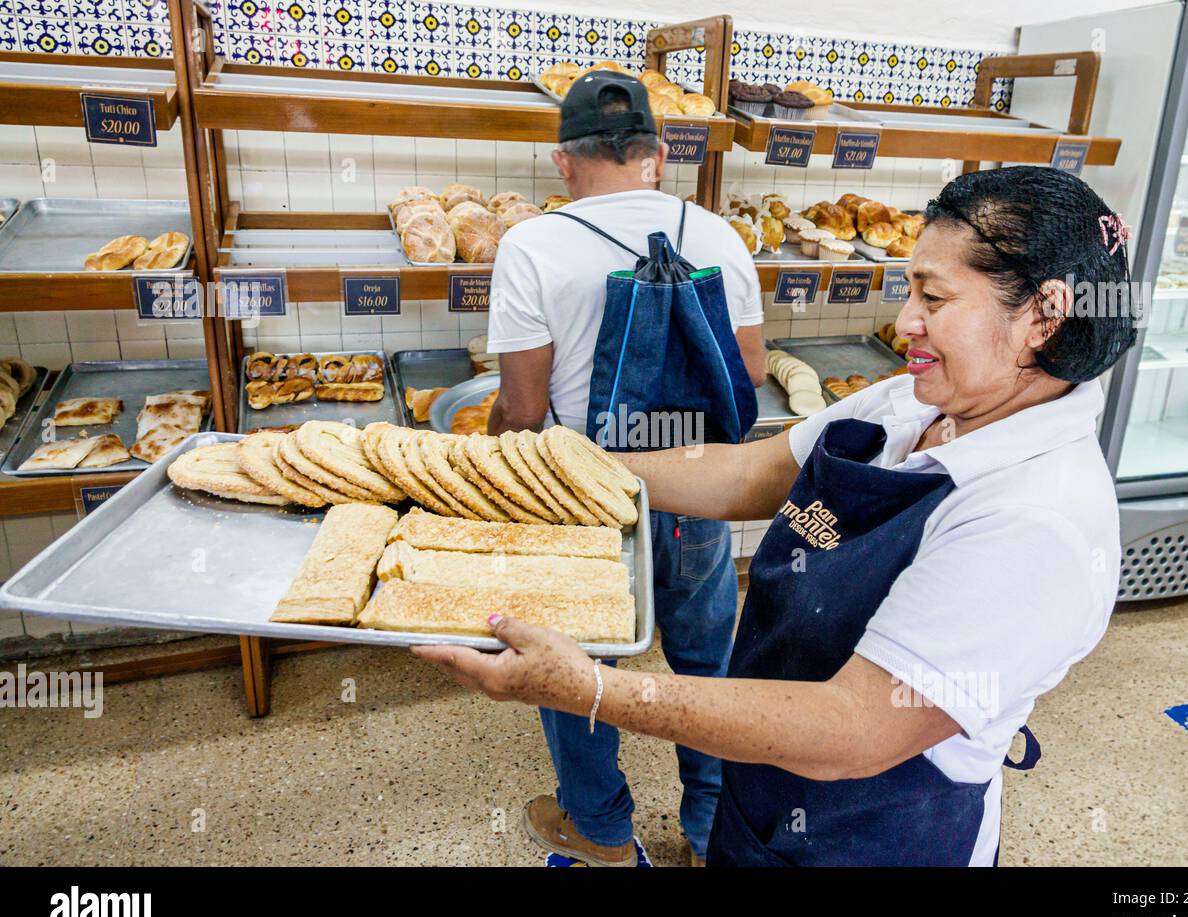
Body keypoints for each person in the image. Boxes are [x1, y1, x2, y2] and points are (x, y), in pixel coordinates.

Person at [419, 164, 1138, 866]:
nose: (906, 320)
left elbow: (852, 728)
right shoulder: (915, 404)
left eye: (934, 297)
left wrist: (591, 688)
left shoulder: (1036, 519)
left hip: (872, 834)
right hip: (764, 781)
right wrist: (548, 475)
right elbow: (748, 471)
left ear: (1043, 315)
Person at [484, 71, 767, 866]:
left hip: (588, 494)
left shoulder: (532, 244)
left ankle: (602, 832)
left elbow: (523, 405)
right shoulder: (719, 235)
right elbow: (747, 372)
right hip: (699, 484)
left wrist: (482, 458)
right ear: (660, 154)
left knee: (573, 669)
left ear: (563, 164)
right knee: (708, 662)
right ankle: (714, 832)